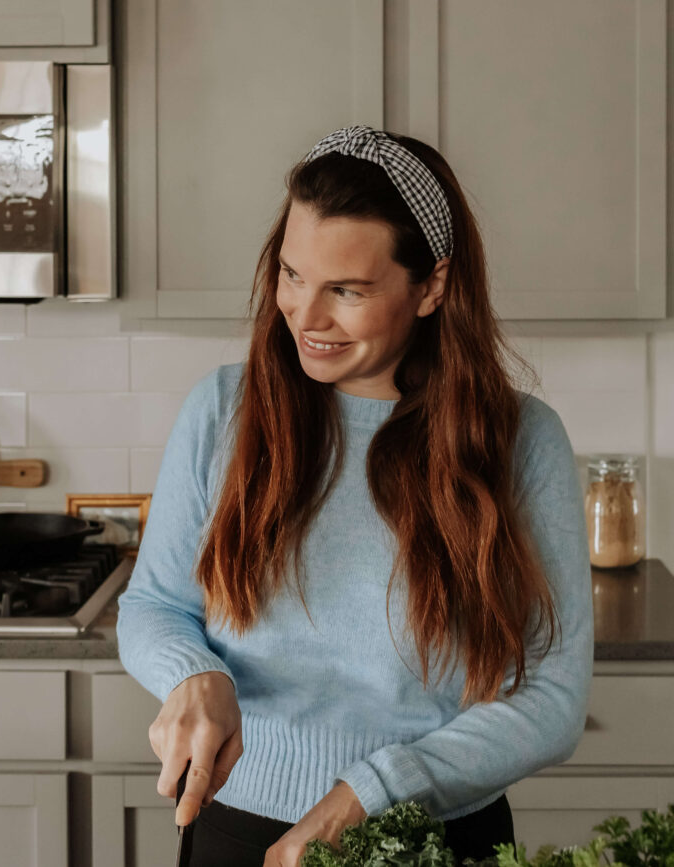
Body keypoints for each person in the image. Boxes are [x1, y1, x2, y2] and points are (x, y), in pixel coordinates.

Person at [115, 125, 594, 867]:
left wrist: (370, 792)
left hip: (434, 836)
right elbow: (153, 605)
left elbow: (552, 700)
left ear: (431, 286)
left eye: (348, 290)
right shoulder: (225, 410)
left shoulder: (521, 441)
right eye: (293, 275)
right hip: (238, 822)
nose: (303, 316)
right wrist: (193, 672)